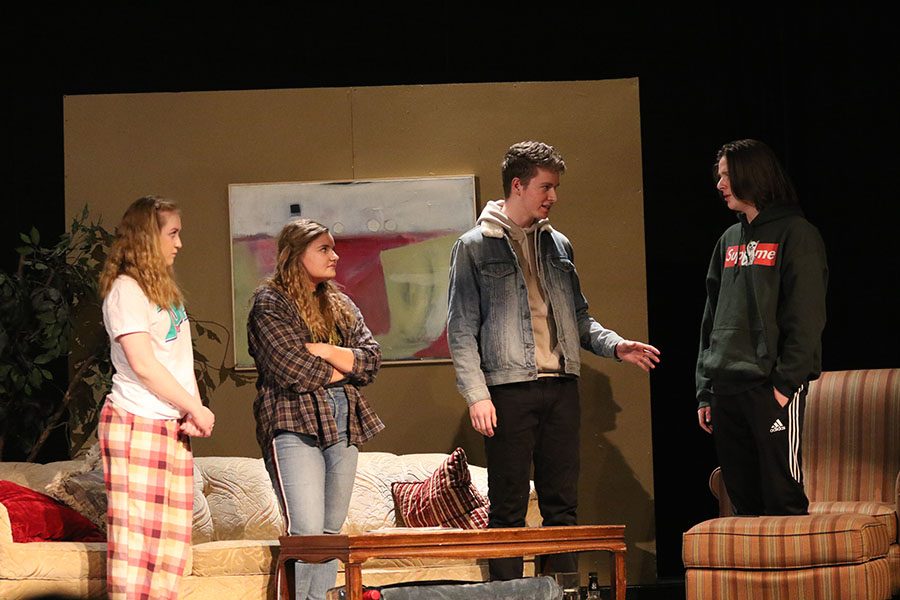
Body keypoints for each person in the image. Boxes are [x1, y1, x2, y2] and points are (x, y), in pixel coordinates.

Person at [447, 141, 660, 580]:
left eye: (556, 187)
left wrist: (616, 346)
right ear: (519, 185)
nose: (553, 196)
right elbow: (461, 329)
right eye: (546, 187)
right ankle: (507, 594)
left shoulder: (557, 244)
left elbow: (579, 318)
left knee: (562, 506)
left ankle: (559, 593)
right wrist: (477, 395)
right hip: (507, 390)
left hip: (561, 386)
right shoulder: (473, 247)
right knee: (507, 507)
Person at [247, 218, 383, 600]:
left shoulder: (339, 304)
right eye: (323, 248)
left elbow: (371, 361)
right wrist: (346, 365)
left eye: (333, 247)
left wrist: (324, 350)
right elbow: (291, 369)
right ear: (295, 254)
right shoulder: (270, 302)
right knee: (306, 532)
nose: (334, 256)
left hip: (343, 420)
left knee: (329, 534)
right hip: (293, 420)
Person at [696, 139, 828, 516]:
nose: (720, 185)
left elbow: (806, 317)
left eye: (726, 176)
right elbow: (710, 319)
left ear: (751, 175)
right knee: (743, 501)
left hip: (770, 386)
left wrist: (784, 386)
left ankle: (796, 577)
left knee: (781, 496)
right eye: (720, 176)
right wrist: (705, 390)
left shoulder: (796, 233)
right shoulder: (728, 240)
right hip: (725, 388)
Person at [98, 195, 215, 599]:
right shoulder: (126, 290)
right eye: (173, 233)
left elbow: (180, 360)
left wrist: (192, 410)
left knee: (170, 549)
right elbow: (144, 364)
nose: (179, 243)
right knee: (137, 547)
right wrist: (194, 407)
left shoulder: (164, 291)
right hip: (136, 423)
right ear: (148, 237)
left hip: (168, 425)